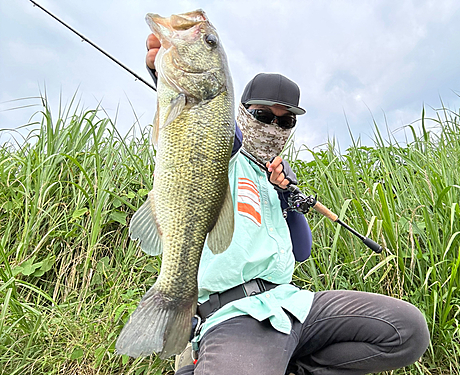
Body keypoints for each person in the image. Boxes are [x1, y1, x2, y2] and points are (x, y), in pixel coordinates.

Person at [145, 34, 430, 375]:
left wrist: (286, 197)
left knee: (408, 330)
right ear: (242, 113)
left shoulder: (278, 177)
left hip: (293, 305)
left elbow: (302, 250)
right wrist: (164, 73)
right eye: (263, 115)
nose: (273, 127)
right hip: (236, 314)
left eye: (285, 121)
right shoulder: (226, 153)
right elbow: (202, 115)